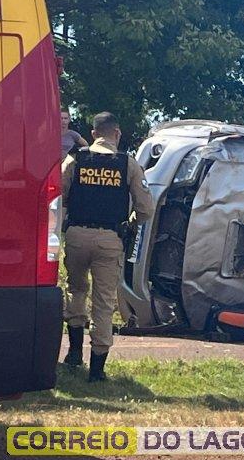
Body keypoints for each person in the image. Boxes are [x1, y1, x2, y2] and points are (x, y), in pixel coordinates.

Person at [61, 112, 154, 381]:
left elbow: (59, 196)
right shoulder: (128, 164)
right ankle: (97, 370)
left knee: (76, 290)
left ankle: (74, 354)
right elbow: (145, 208)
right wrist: (130, 224)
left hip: (77, 235)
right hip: (110, 239)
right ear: (117, 134)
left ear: (93, 134)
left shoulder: (75, 160)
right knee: (103, 303)